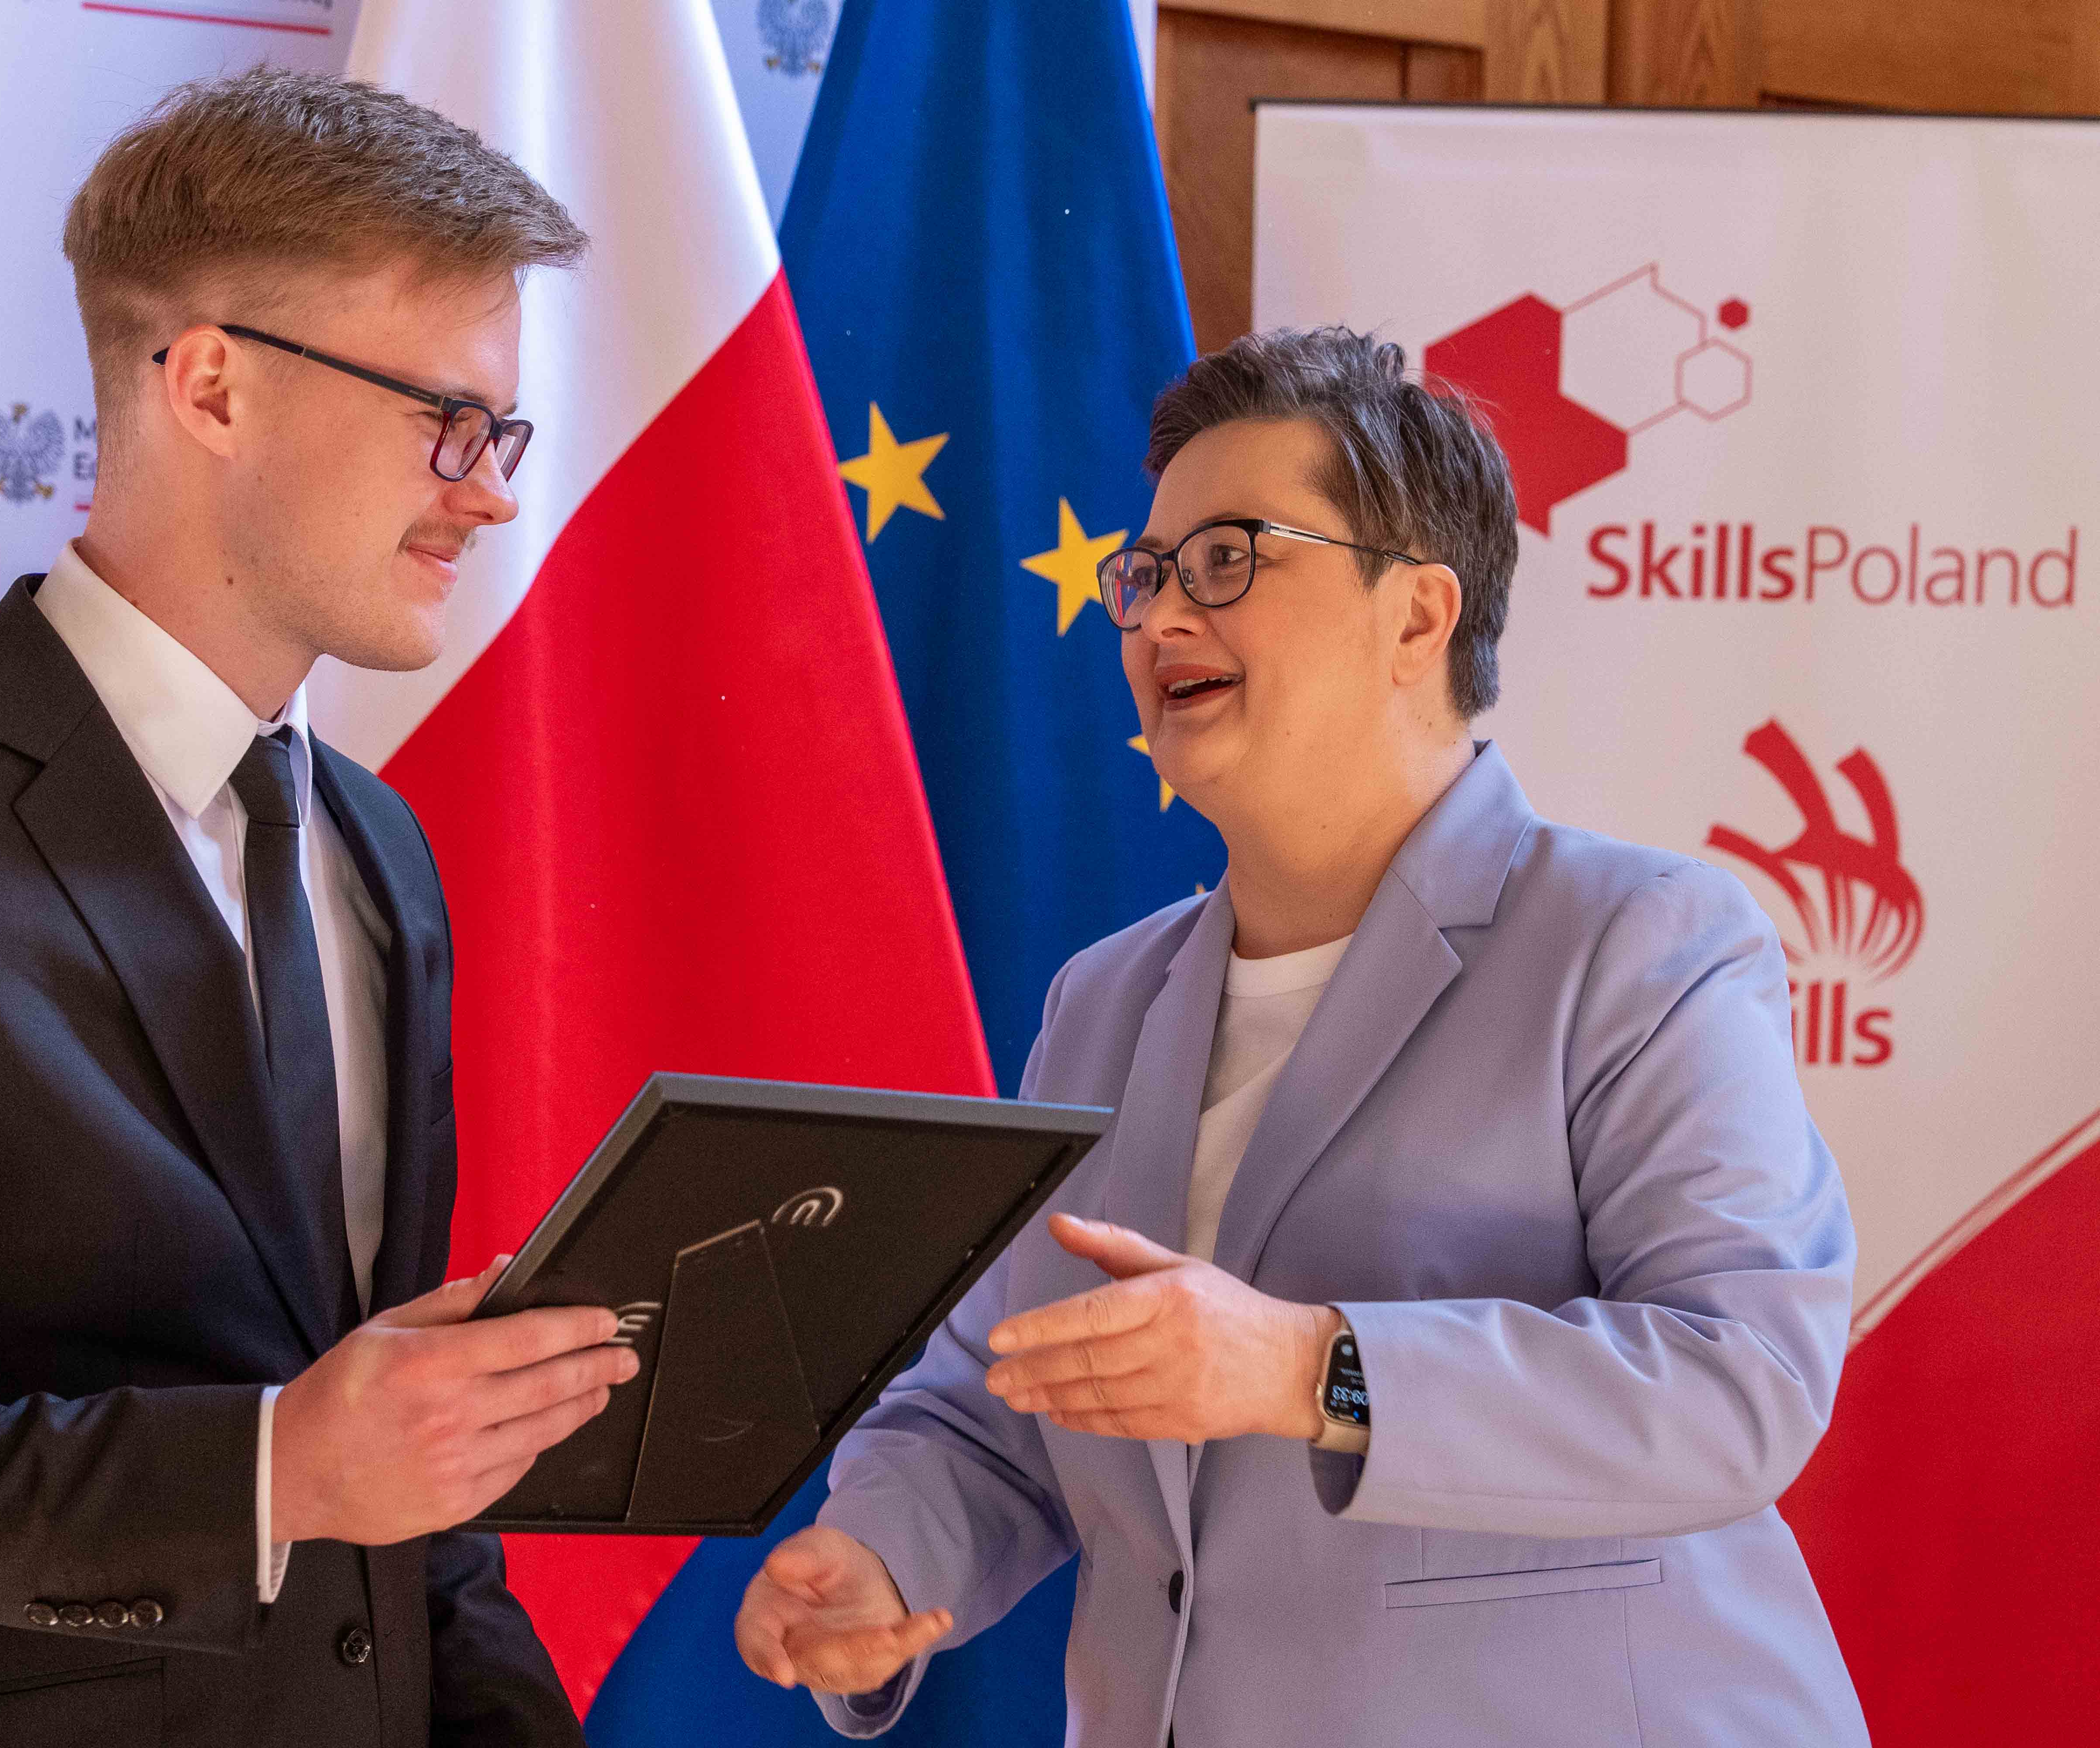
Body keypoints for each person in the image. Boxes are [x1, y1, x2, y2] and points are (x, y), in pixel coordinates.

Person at [0, 70, 634, 1748]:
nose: (491, 493)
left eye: (503, 434)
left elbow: (402, 1507)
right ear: (214, 386)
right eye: (446, 421)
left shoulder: (379, 848)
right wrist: (271, 1469)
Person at [735, 327, 1867, 1745]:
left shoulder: (1639, 941)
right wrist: (886, 1560)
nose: (1159, 617)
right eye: (1146, 573)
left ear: (1420, 618)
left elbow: (1740, 1381)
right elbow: (1010, 1397)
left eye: (1229, 559)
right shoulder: (1103, 1000)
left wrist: (1306, 1368)